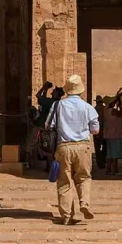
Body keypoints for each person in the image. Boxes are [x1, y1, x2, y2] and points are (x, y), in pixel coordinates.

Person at [46, 75, 99, 225]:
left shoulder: (58, 105)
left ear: (67, 90)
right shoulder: (87, 107)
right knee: (84, 177)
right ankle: (84, 203)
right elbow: (95, 129)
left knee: (64, 181)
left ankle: (67, 214)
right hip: (83, 146)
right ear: (80, 90)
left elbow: (48, 125)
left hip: (64, 146)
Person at [25, 81, 53, 168]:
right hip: (49, 126)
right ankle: (48, 166)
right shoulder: (54, 102)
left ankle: (27, 163)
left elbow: (38, 96)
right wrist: (45, 90)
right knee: (48, 145)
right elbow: (43, 99)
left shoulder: (50, 102)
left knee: (30, 143)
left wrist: (43, 88)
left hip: (40, 125)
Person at [103, 90, 122, 176]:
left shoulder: (105, 110)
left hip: (109, 134)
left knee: (110, 154)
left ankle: (108, 169)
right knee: (115, 154)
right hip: (115, 134)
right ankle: (114, 170)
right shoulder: (112, 111)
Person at [93, 95, 107, 169]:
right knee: (105, 146)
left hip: (96, 129)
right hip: (104, 129)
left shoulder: (94, 109)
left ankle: (99, 162)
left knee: (97, 147)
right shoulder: (105, 109)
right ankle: (104, 160)